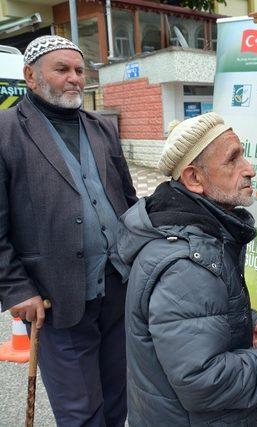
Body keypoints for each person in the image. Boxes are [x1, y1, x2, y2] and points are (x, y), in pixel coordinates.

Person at [118, 112, 257, 426]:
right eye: (232, 160)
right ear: (194, 179)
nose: (250, 170)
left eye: (243, 154)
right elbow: (200, 380)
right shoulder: (187, 264)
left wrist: (244, 323)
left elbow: (194, 321)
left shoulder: (198, 232)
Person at [0, 35, 137, 425]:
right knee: (80, 407)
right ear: (30, 75)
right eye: (62, 69)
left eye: (79, 70)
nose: (75, 78)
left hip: (117, 288)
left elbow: (126, 200)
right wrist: (15, 287)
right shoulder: (6, 129)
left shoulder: (102, 127)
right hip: (54, 295)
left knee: (117, 393)